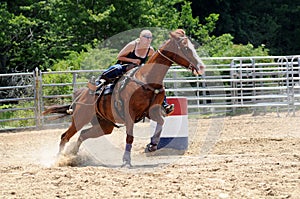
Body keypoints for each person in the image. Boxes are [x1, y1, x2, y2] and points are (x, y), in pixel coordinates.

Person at [95, 29, 174, 115]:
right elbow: (119, 57)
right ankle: (99, 82)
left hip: (138, 69)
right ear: (140, 37)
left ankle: (164, 104)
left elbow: (152, 61)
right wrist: (133, 60)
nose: (148, 39)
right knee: (116, 68)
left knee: (156, 82)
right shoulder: (133, 45)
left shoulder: (150, 50)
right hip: (125, 66)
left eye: (150, 37)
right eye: (146, 37)